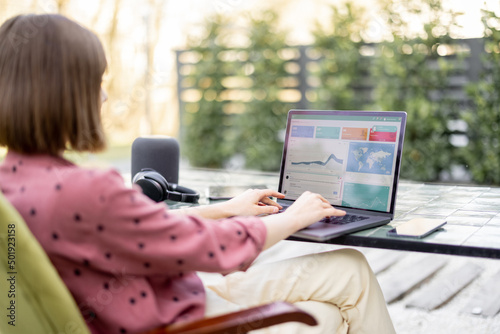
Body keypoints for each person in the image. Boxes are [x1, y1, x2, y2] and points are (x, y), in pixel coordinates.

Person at [0, 14, 396, 334]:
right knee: (330, 312)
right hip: (181, 318)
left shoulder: (13, 183)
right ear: (61, 94)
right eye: (95, 83)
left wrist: (226, 208)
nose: (103, 97)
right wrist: (294, 217)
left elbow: (144, 231)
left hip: (168, 294)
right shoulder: (84, 190)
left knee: (350, 268)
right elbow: (211, 249)